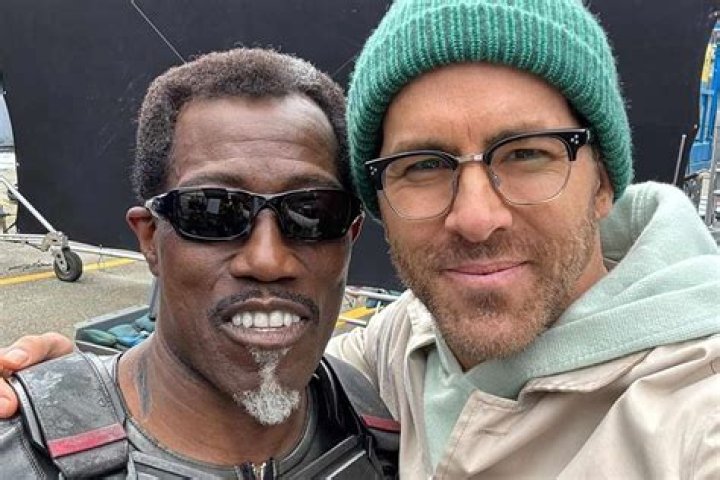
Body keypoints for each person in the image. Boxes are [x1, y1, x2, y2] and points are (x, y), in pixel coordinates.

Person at [2, 0, 720, 477]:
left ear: (604, 183)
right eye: (424, 166)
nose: (476, 218)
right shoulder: (405, 347)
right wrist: (76, 392)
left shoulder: (696, 418)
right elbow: (257, 369)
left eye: (528, 153)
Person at [0, 47, 400, 479]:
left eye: (313, 212)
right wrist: (68, 394)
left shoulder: (384, 423)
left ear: (350, 236)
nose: (267, 260)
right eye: (213, 211)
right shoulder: (23, 458)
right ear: (150, 240)